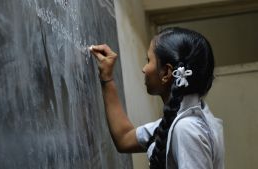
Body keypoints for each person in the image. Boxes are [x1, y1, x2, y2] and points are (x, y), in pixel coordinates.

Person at [89, 27, 224, 169]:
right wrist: (107, 78)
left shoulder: (186, 129)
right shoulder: (185, 119)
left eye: (148, 60)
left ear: (166, 72)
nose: (144, 69)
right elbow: (124, 138)